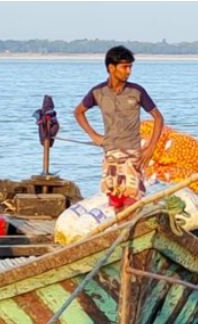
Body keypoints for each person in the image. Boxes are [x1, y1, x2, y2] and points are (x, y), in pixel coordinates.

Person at [73, 45, 165, 212]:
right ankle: (120, 232)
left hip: (133, 153)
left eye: (130, 67)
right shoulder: (98, 92)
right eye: (124, 67)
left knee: (132, 199)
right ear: (111, 67)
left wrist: (150, 147)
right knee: (115, 200)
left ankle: (131, 231)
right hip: (111, 154)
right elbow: (79, 112)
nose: (128, 71)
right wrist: (94, 136)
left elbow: (158, 118)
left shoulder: (136, 91)